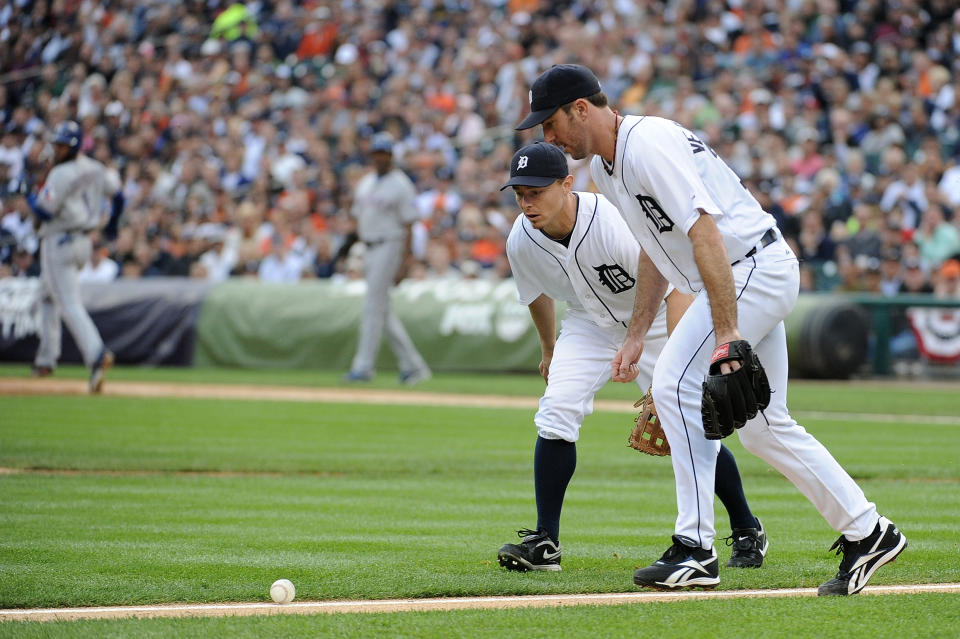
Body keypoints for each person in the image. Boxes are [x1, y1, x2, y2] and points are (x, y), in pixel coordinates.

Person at [516, 64, 905, 595]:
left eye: (551, 122)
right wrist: (635, 334)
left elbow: (704, 233)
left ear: (581, 108)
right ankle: (869, 531)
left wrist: (726, 334)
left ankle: (695, 548)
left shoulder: (646, 144)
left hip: (747, 267)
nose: (548, 137)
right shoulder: (607, 169)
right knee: (766, 428)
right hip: (746, 272)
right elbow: (657, 252)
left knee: (675, 383)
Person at [496, 142, 769, 573]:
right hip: (588, 324)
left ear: (567, 184)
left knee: (688, 422)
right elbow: (536, 295)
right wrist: (549, 350)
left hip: (658, 317)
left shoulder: (611, 222)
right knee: (556, 411)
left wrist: (677, 361)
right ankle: (546, 541)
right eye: (520, 193)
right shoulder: (521, 239)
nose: (527, 202)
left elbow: (678, 278)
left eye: (537, 191)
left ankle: (747, 526)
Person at [26, 121, 123, 393]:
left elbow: (45, 211)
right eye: (56, 144)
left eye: (62, 145)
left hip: (60, 241)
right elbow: (119, 196)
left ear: (74, 145)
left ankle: (96, 354)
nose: (58, 149)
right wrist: (113, 224)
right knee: (47, 296)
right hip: (83, 241)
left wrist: (28, 196)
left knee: (68, 303)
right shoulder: (95, 167)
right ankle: (46, 359)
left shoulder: (59, 173)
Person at [344, 133, 431, 385]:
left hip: (389, 245)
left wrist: (405, 263)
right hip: (367, 246)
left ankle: (363, 367)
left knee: (372, 307)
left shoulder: (401, 184)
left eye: (383, 153)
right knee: (382, 311)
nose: (379, 157)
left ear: (391, 155)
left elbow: (409, 226)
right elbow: (357, 216)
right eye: (376, 153)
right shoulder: (367, 182)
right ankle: (413, 366)